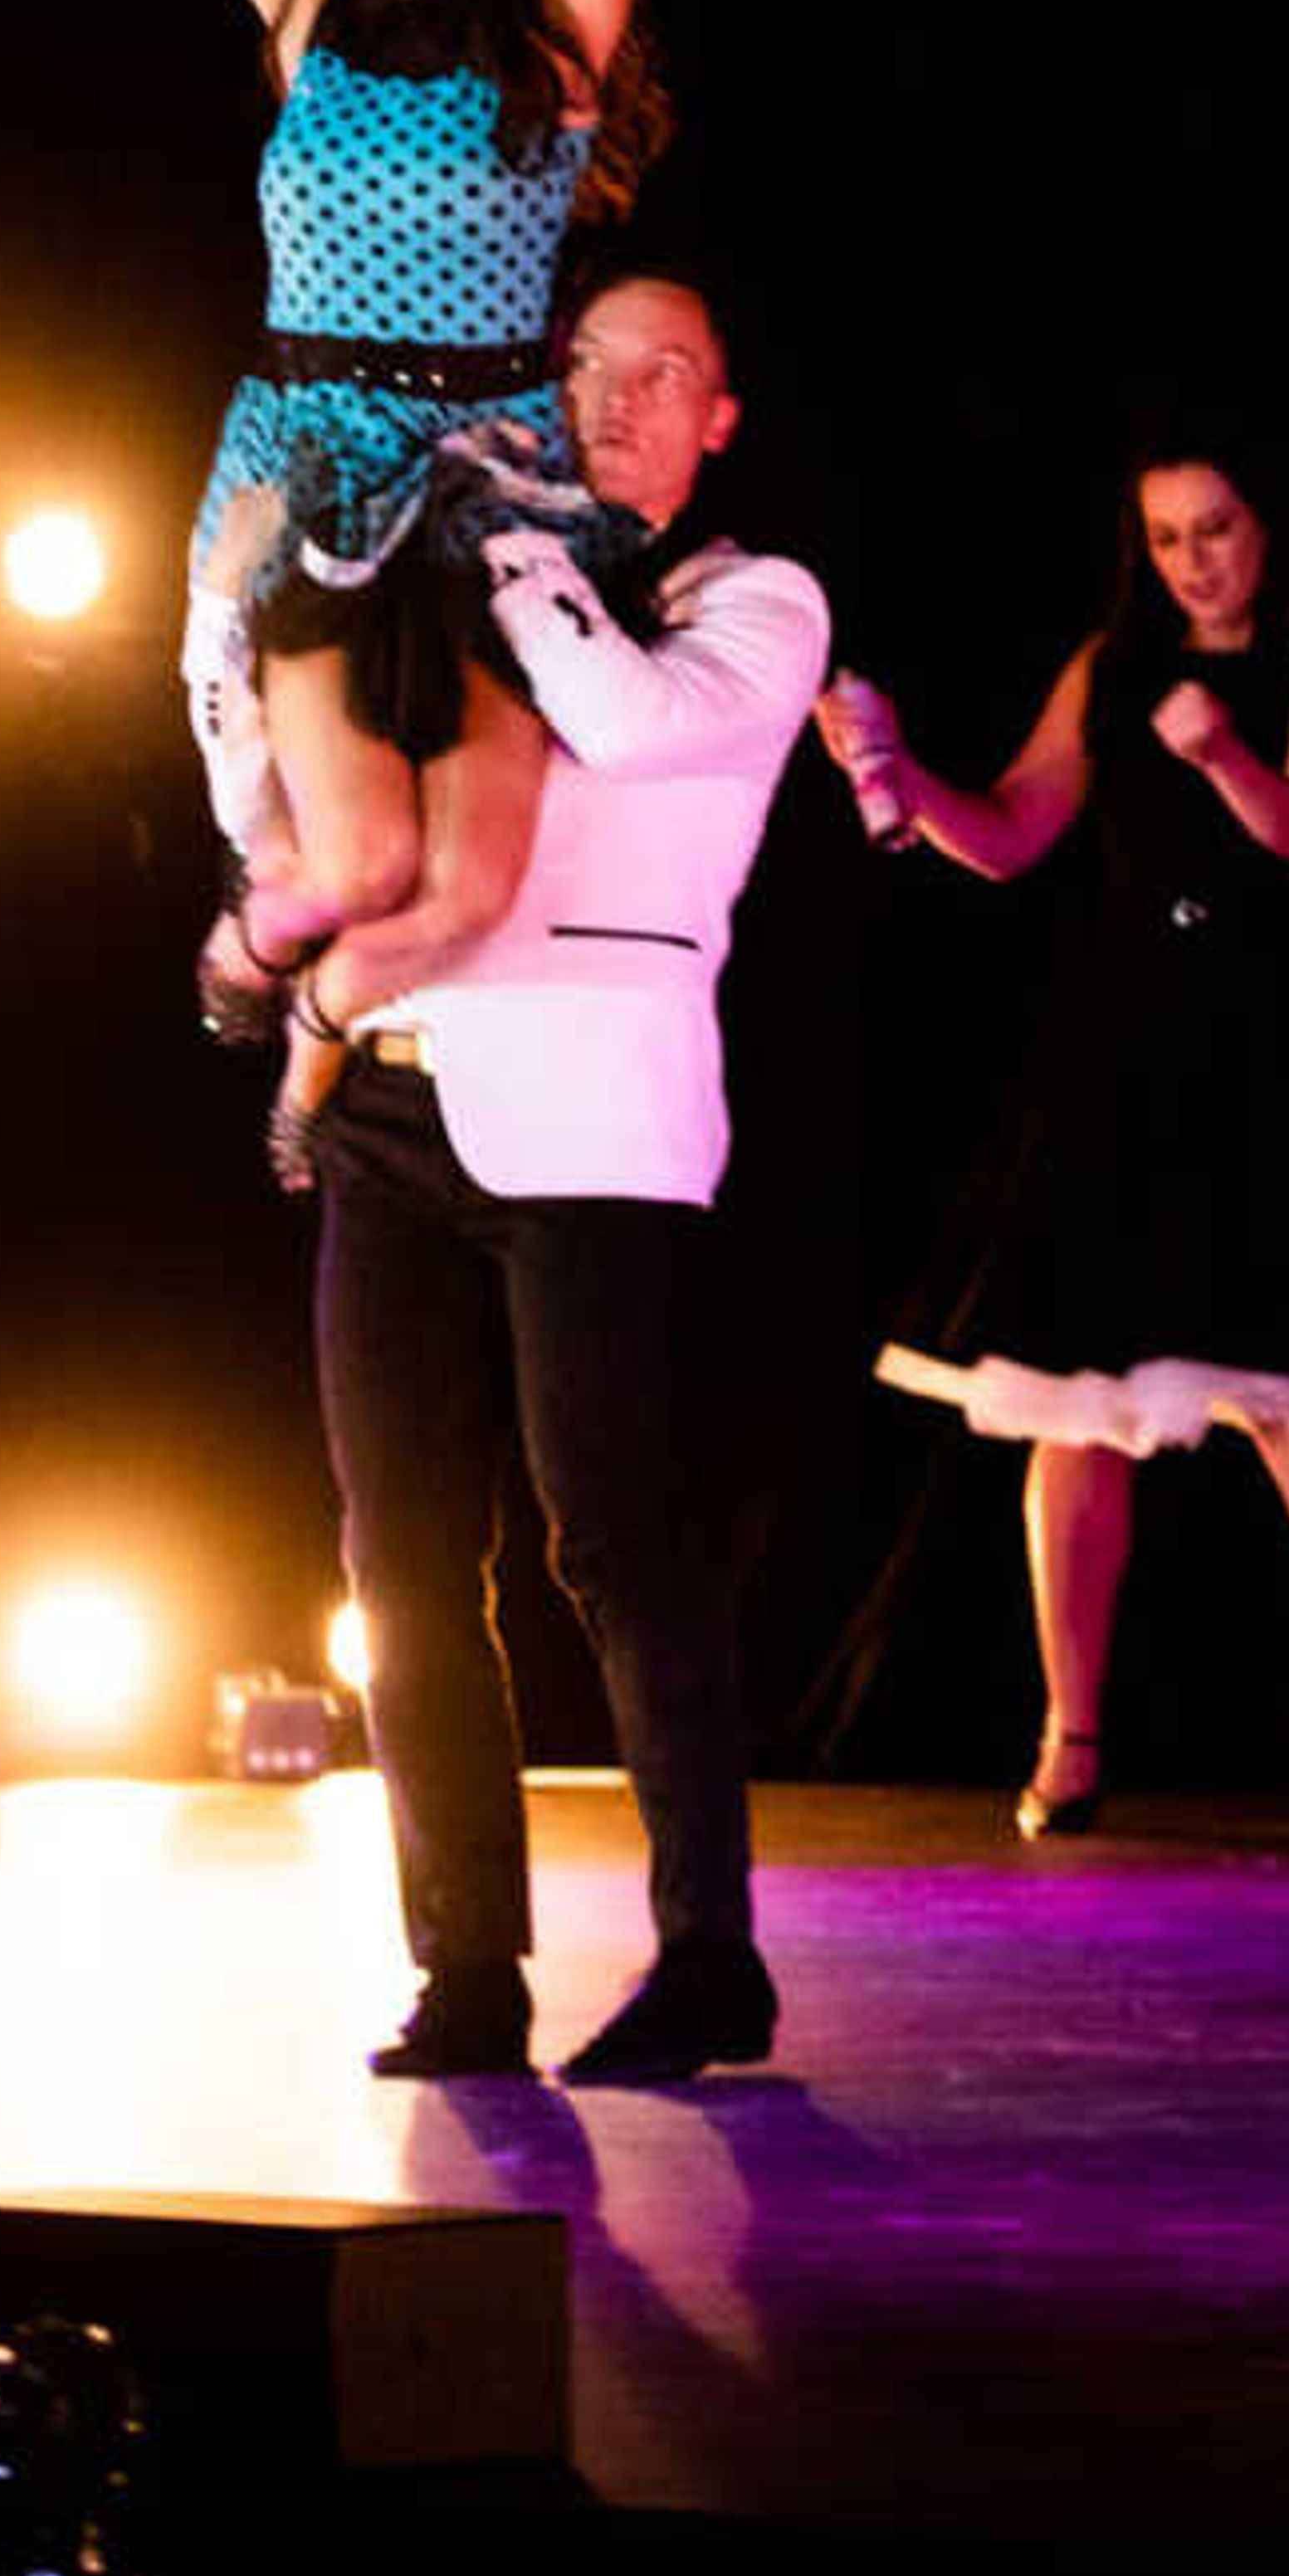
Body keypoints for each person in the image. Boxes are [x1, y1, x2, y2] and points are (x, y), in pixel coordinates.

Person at [0, 0, 754, 1137]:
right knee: (359, 857)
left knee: (468, 889)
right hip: (318, 472)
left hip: (495, 491)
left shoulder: (555, 40)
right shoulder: (305, 14)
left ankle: (316, 1026)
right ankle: (255, 956)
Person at [293, 273, 829, 2085]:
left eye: (665, 367)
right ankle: (466, 1971)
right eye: (590, 360)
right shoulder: (465, 571)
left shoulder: (755, 603)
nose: (617, 394)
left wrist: (514, 549)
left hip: (595, 1122)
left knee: (613, 1542)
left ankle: (710, 1958)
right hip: (401, 1096)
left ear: (721, 413)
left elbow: (620, 723)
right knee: (402, 1556)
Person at [818, 442, 1289, 1832]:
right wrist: (901, 775)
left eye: (1215, 529)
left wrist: (1220, 750)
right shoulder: (1110, 667)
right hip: (1119, 1057)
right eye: (1166, 537)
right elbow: (1013, 833)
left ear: (1271, 524)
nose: (1193, 561)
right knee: (1075, 1401)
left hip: (1261, 1055)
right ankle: (1073, 1736)